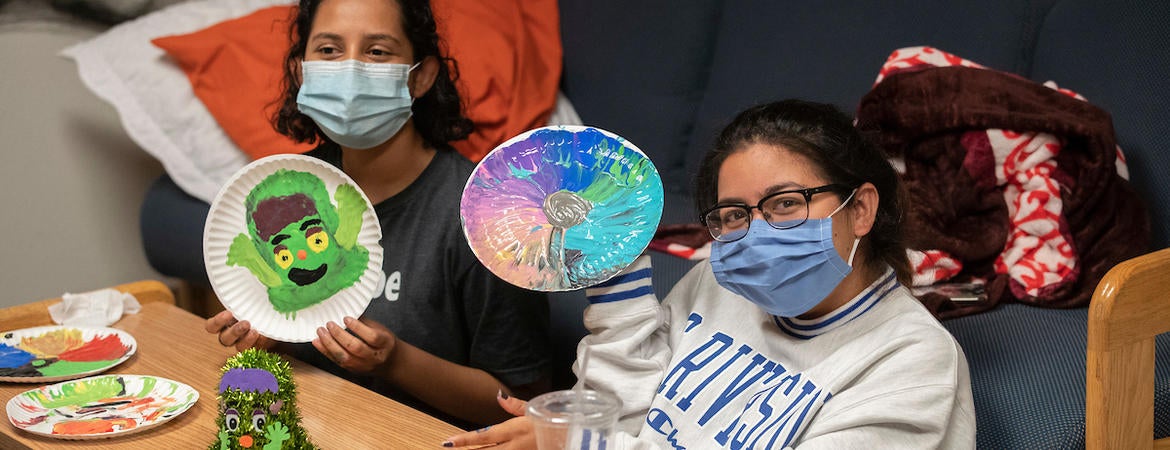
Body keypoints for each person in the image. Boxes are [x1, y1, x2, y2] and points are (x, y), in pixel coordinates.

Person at [443, 99, 976, 448]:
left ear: (860, 209)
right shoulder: (722, 281)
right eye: (735, 215)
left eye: (786, 204)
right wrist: (619, 294)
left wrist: (582, 444)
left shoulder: (914, 363)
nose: (757, 234)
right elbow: (619, 416)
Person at [204, 0, 551, 428]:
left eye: (377, 52)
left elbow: (522, 405)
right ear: (301, 72)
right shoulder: (282, 193)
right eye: (329, 50)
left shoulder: (485, 217)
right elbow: (299, 349)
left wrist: (396, 361)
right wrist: (267, 336)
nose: (350, 70)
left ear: (420, 76)